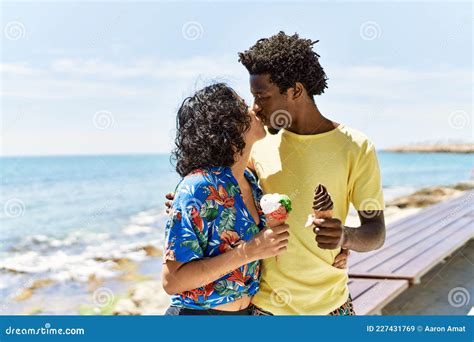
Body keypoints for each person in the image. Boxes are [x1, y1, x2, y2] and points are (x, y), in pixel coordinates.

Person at [238, 31, 386, 315]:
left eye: (262, 97)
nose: (255, 108)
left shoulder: (355, 147)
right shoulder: (256, 144)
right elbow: (229, 195)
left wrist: (345, 236)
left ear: (295, 90)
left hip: (333, 308)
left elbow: (376, 232)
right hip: (266, 309)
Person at [162, 83, 290, 315]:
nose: (254, 109)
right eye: (243, 106)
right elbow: (172, 281)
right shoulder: (197, 187)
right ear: (227, 124)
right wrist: (251, 250)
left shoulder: (250, 181)